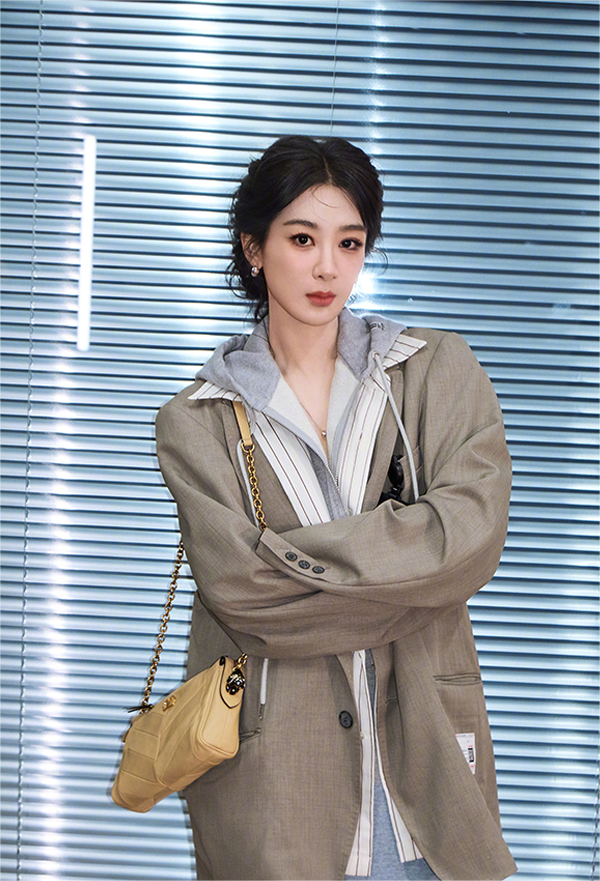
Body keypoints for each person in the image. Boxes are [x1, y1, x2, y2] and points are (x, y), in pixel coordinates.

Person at [155, 135, 517, 881]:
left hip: (426, 773)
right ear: (253, 248)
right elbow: (241, 594)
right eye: (302, 239)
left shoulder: (434, 373)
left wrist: (289, 564)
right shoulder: (197, 421)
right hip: (277, 786)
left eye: (349, 242)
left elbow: (471, 537)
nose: (328, 267)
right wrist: (412, 577)